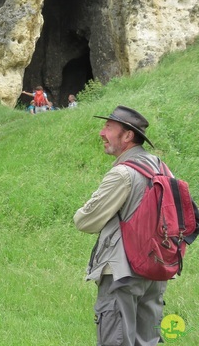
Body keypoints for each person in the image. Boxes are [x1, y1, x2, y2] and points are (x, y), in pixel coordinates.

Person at [74, 106, 174, 346]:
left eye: (109, 127)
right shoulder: (161, 167)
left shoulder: (123, 173)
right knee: (148, 341)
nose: (101, 133)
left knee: (116, 340)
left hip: (122, 272)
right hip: (155, 269)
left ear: (127, 136)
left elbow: (85, 221)